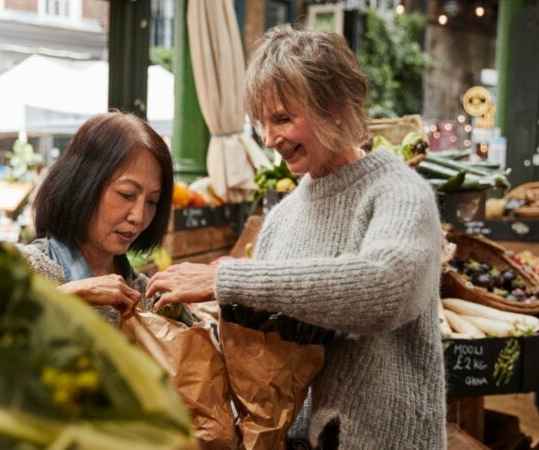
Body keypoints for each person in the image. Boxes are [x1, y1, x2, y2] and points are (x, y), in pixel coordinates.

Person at [147, 26, 446, 449]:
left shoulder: (398, 192)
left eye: (283, 118)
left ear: (336, 107)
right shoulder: (283, 216)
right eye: (262, 123)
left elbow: (385, 288)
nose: (270, 139)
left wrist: (227, 280)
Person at [19, 112, 174, 327]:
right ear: (83, 184)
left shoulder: (145, 295)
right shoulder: (26, 269)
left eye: (152, 202)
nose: (138, 217)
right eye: (126, 195)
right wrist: (68, 297)